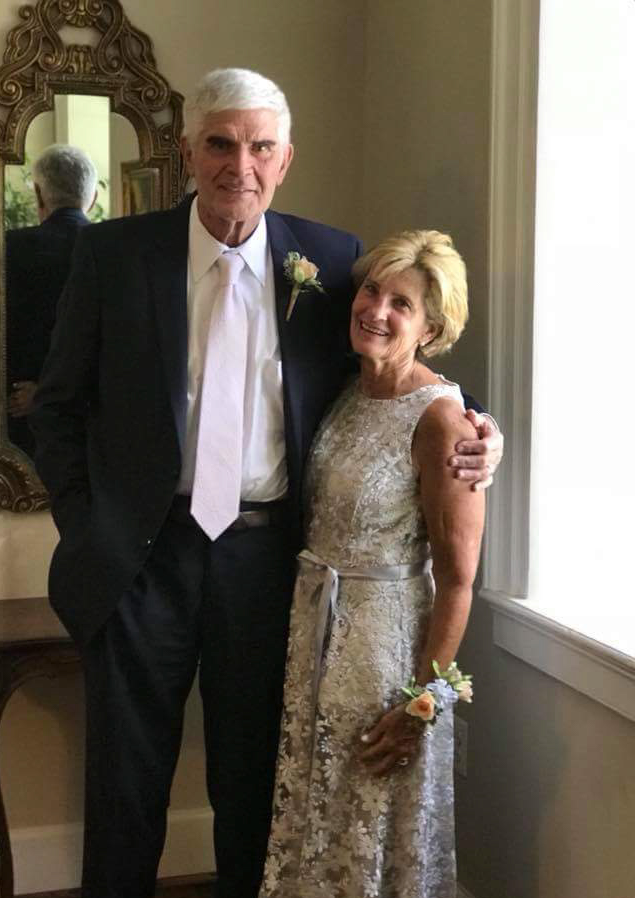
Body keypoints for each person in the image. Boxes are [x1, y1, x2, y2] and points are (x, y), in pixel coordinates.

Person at [29, 69, 501, 898]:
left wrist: (484, 430)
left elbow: (401, 364)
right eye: (219, 142)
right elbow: (57, 407)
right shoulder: (113, 254)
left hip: (267, 568)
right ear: (187, 152)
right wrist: (87, 521)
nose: (237, 165)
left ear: (285, 160)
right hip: (143, 559)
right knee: (125, 788)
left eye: (259, 147)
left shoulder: (328, 257)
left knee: (254, 789)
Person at [259, 230, 485, 898]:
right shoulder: (345, 389)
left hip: (384, 651)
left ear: (432, 328)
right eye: (371, 291)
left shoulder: (444, 420)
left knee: (372, 812)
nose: (376, 310)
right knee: (317, 811)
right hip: (315, 637)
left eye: (401, 304)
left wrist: (423, 701)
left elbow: (459, 576)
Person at [5, 143, 97, 455]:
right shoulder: (118, 253)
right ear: (93, 197)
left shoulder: (7, 249)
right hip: (94, 424)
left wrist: (43, 393)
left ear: (39, 195)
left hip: (14, 423)